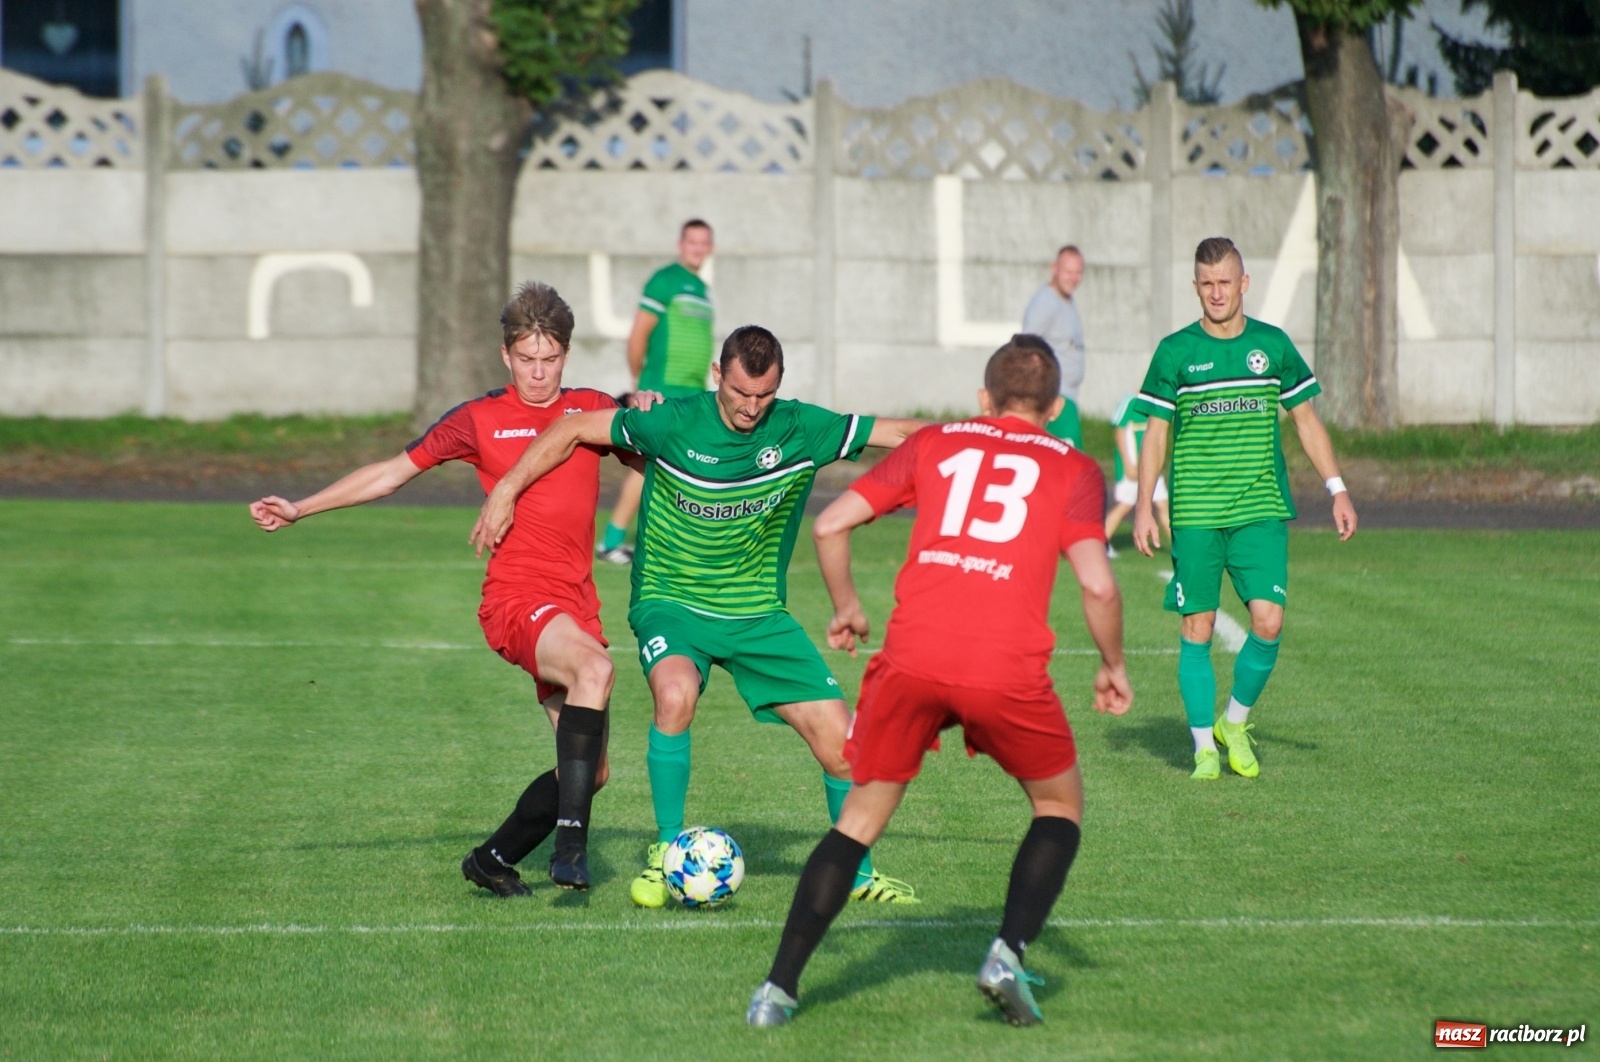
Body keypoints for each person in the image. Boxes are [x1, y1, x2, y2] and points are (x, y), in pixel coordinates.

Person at [746, 335, 1133, 1029]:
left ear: (983, 400)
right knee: (1058, 807)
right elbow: (1099, 585)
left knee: (859, 820)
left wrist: (846, 607)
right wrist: (1113, 665)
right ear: (1057, 407)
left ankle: (776, 992)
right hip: (1003, 667)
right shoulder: (1075, 467)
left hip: (913, 657)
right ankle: (1007, 952)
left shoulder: (937, 441)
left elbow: (832, 523)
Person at [471, 324, 928, 907]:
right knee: (676, 694)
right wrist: (507, 487)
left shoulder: (801, 427)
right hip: (671, 604)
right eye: (740, 393)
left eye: (764, 395)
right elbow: (574, 427)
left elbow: (905, 433)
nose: (750, 407)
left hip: (758, 613)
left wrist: (991, 440)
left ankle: (858, 877)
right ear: (719, 374)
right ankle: (668, 853)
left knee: (842, 744)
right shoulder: (675, 421)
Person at [249, 282, 656, 894]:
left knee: (590, 772)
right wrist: (301, 508)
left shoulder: (591, 409)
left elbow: (657, 462)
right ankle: (571, 850)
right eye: (526, 360)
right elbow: (391, 472)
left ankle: (491, 860)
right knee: (596, 673)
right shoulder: (479, 418)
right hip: (518, 599)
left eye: (549, 360)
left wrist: (652, 417)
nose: (538, 374)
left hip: (575, 607)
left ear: (565, 356)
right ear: (505, 356)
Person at [1131, 237, 1357, 781]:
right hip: (1197, 512)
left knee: (1269, 622)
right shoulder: (1174, 353)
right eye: (1206, 284)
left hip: (1259, 506)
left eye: (1224, 283)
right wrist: (1145, 504)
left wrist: (1337, 488)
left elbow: (1306, 420)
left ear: (1243, 284)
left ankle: (1235, 723)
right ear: (1195, 286)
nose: (1215, 293)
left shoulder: (1272, 346)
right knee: (1198, 627)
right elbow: (1156, 435)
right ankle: (1203, 746)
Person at [596, 219, 716, 564]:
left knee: (688, 468)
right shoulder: (664, 281)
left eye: (704, 242)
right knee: (648, 466)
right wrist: (640, 384)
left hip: (692, 394)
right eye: (692, 241)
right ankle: (611, 542)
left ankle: (677, 542)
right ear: (681, 244)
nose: (698, 248)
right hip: (661, 392)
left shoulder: (702, 290)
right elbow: (637, 337)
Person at [1021, 244, 1086, 447]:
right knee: (1072, 463)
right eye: (1068, 272)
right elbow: (1026, 347)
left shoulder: (1067, 300)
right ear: (1054, 269)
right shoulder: (1046, 302)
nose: (1073, 278)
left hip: (1067, 397)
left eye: (1078, 272)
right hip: (1055, 397)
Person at [1102, 392, 1170, 554]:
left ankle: (1181, 550)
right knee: (1124, 506)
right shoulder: (1130, 402)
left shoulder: (1157, 406)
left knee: (1163, 506)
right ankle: (1100, 545)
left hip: (1150, 467)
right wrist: (1128, 464)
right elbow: (1119, 432)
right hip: (1132, 469)